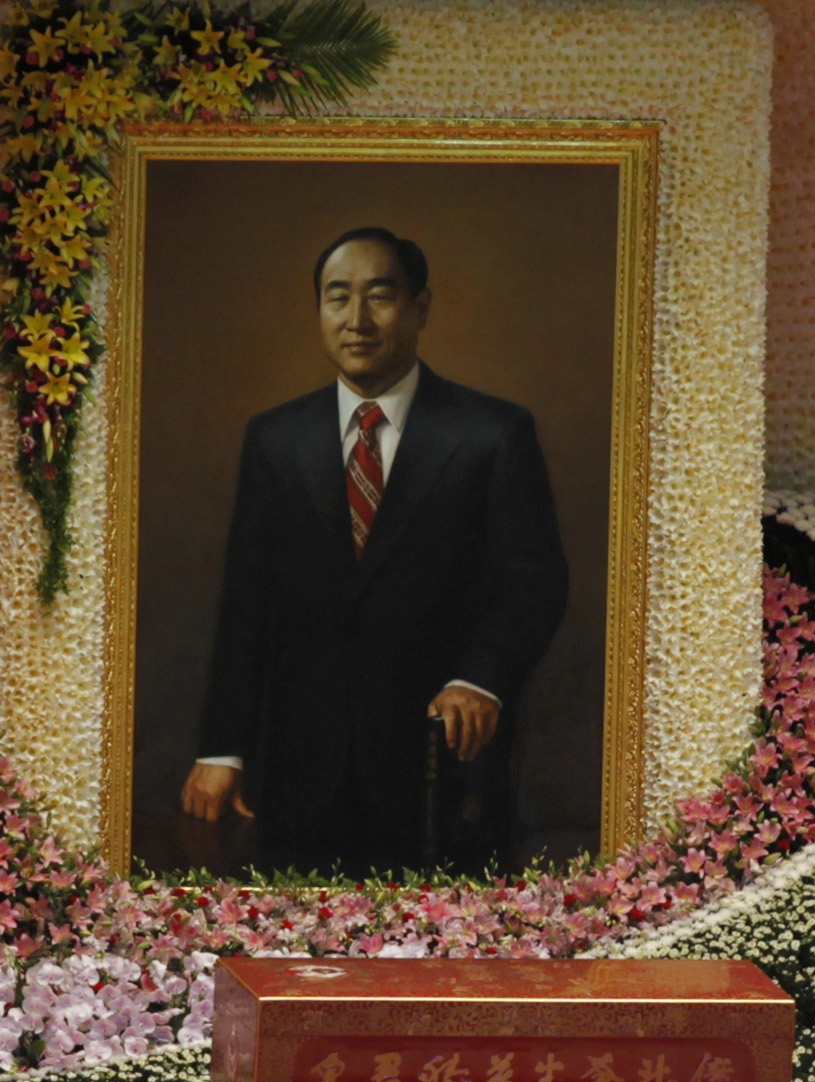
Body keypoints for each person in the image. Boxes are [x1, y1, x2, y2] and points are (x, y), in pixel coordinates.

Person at [183, 225, 569, 875]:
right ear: (319, 310)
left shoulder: (492, 433)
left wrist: (480, 679)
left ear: (420, 308)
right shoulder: (275, 439)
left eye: (380, 296)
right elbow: (248, 603)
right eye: (337, 297)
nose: (356, 319)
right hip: (299, 774)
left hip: (440, 775)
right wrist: (223, 749)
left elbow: (535, 580)